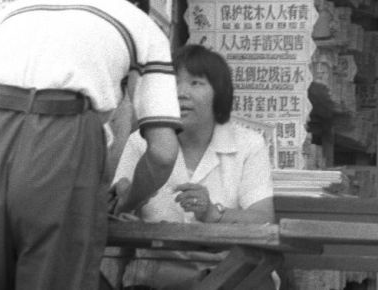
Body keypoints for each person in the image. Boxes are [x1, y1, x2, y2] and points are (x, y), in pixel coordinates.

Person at [0, 0, 181, 290]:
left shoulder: (12, 13)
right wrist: (126, 201)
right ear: (137, 5)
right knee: (54, 277)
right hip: (62, 134)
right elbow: (163, 153)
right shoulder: (138, 22)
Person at [113, 44, 275, 290]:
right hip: (159, 274)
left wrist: (213, 214)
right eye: (173, 83)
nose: (181, 93)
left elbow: (263, 218)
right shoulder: (141, 142)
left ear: (219, 94)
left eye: (196, 83)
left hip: (231, 271)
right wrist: (131, 201)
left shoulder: (249, 144)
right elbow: (116, 208)